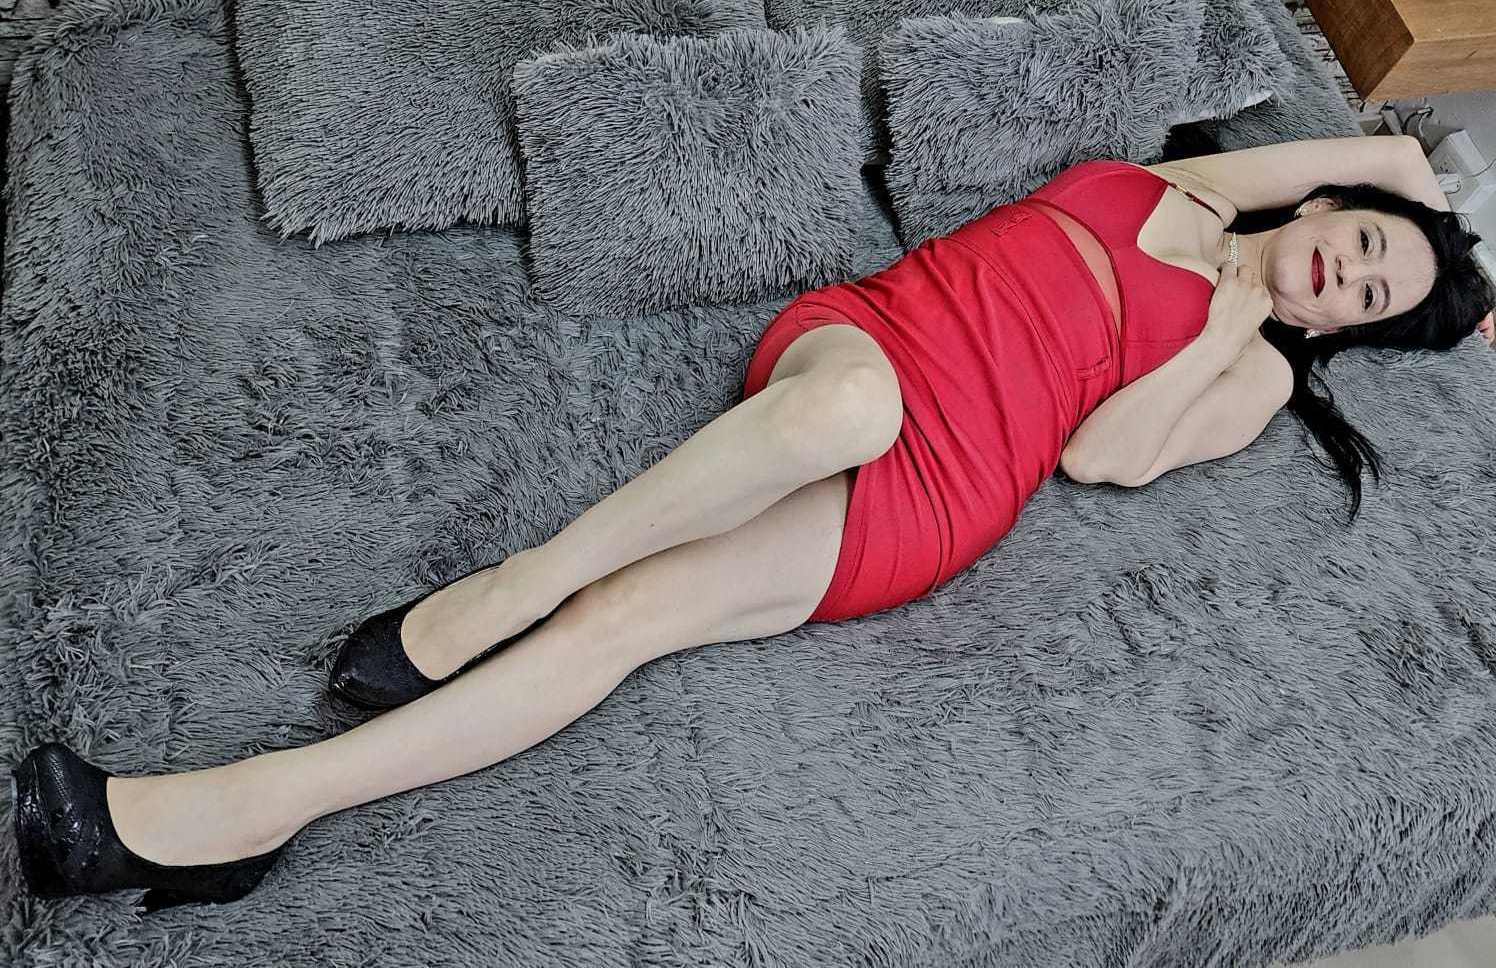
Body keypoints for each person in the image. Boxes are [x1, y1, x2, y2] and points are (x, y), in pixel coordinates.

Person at [13, 132, 1494, 912]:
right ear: (1332, 204)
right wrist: (1456, 259)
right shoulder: (1205, 184)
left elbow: (1108, 458)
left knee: (628, 623)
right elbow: (1396, 155)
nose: (1344, 270)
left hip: (947, 480)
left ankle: (246, 810)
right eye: (1362, 243)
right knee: (841, 407)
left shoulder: (1247, 374)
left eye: (1367, 297)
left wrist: (1236, 323)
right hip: (871, 342)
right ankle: (507, 585)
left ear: (1340, 329)